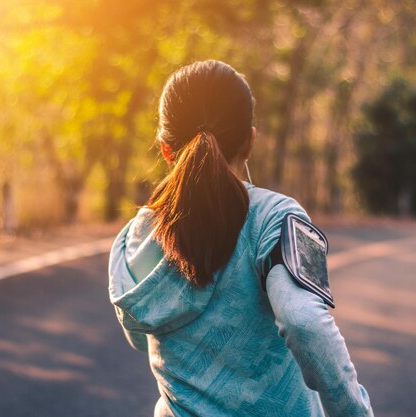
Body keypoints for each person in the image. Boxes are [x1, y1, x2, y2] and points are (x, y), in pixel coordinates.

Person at [108, 60, 373, 417]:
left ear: (165, 148)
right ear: (250, 140)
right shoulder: (275, 217)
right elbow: (304, 322)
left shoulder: (136, 237)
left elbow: (139, 337)